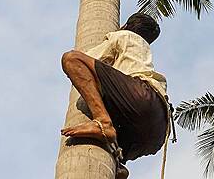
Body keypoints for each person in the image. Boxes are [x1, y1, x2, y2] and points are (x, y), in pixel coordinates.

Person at [60, 13, 170, 178]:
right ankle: (118, 165)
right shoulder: (144, 52)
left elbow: (90, 59)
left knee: (71, 59)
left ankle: (102, 121)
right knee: (113, 151)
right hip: (156, 131)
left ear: (125, 26)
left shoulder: (124, 35)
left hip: (139, 98)